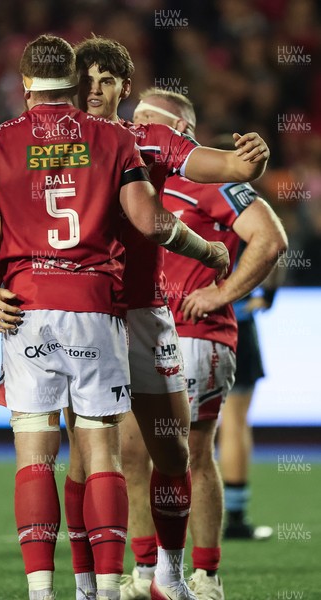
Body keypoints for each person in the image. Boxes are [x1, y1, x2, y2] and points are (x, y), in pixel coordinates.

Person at [0, 34, 230, 600]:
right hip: (97, 310)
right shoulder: (109, 143)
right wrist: (209, 250)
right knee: (96, 455)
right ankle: (95, 586)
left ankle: (119, 582)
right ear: (73, 84)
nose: (96, 90)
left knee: (77, 453)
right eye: (87, 80)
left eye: (107, 81)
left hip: (85, 314)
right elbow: (149, 220)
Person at [117, 89, 288, 600]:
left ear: (181, 133)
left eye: (149, 120)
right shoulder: (127, 182)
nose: (138, 128)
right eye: (136, 118)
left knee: (191, 453)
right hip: (136, 332)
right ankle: (146, 573)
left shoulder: (207, 180)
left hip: (196, 336)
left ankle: (205, 575)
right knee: (131, 455)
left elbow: (271, 238)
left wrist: (222, 292)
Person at [219, 259, 280, 541]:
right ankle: (235, 518)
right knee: (235, 422)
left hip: (183, 322)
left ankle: (164, 523)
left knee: (178, 425)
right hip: (235, 322)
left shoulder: (171, 213)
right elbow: (274, 249)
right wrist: (268, 294)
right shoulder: (241, 212)